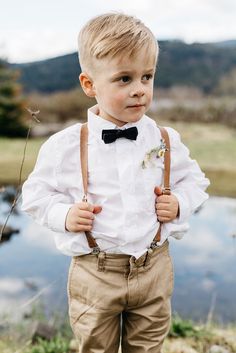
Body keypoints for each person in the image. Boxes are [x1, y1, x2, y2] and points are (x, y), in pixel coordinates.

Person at [21, 12, 210, 353]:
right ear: (89, 85)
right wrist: (63, 215)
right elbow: (34, 196)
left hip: (153, 266)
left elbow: (196, 181)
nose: (139, 89)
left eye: (147, 77)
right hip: (95, 271)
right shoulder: (66, 145)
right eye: (124, 79)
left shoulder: (164, 138)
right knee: (96, 347)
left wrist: (180, 202)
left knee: (148, 346)